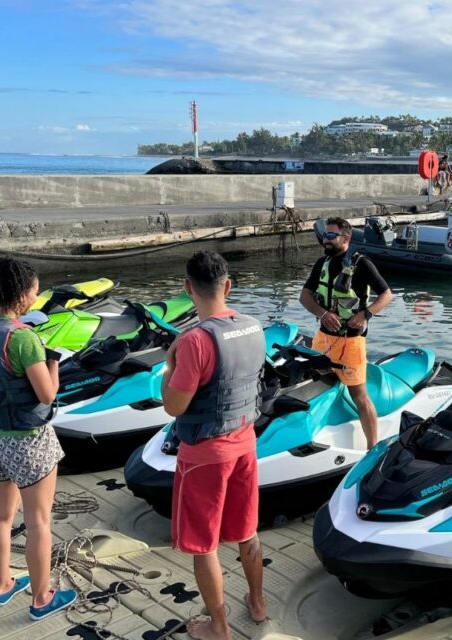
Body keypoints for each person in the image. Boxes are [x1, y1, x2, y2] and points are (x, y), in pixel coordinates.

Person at [0, 257, 77, 620]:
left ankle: (3, 585)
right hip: (28, 440)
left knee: (1, 514)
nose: (35, 298)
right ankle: (42, 598)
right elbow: (46, 394)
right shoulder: (23, 338)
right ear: (23, 293)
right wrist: (52, 360)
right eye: (35, 292)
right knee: (39, 521)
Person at [160, 251, 267, 640]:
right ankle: (258, 604)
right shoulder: (253, 327)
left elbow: (174, 406)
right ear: (228, 286)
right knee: (247, 530)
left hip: (205, 455)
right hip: (245, 444)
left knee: (204, 545)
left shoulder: (194, 341)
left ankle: (218, 627)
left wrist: (169, 365)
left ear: (188, 288)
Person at [299, 216, 392, 448]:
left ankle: (373, 447)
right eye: (325, 235)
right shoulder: (322, 263)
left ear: (346, 238)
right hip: (322, 340)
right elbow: (305, 296)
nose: (326, 240)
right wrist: (323, 313)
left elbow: (386, 294)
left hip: (350, 343)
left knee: (359, 395)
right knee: (314, 386)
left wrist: (366, 314)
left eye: (332, 236)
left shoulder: (362, 264)